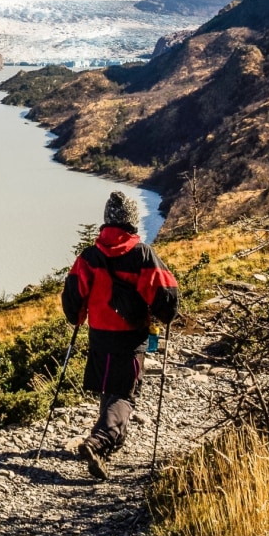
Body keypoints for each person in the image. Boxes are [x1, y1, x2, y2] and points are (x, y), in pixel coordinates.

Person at [61, 191, 179, 479]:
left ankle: (112, 439)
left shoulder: (90, 256)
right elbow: (166, 294)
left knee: (109, 386)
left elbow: (73, 294)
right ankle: (99, 441)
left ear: (107, 219)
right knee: (125, 392)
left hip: (99, 334)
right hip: (130, 335)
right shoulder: (143, 255)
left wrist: (77, 318)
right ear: (132, 220)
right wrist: (165, 315)